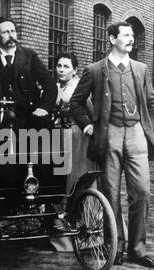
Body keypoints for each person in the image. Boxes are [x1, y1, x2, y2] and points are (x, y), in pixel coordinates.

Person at [70, 21, 154, 268]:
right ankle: (115, 247)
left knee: (141, 191)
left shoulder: (140, 69)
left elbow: (152, 103)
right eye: (126, 35)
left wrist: (145, 127)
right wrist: (89, 126)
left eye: (133, 35)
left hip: (136, 135)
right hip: (108, 136)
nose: (132, 39)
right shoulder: (95, 70)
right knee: (110, 193)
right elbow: (76, 103)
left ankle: (137, 250)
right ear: (112, 39)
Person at [50, 52, 95, 252]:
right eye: (59, 66)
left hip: (76, 138)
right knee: (58, 181)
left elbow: (91, 113)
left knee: (77, 180)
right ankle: (60, 234)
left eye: (66, 66)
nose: (61, 70)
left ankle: (85, 230)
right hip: (57, 138)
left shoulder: (79, 87)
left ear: (74, 70)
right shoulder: (53, 87)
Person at [0, 17, 57, 130]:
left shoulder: (30, 56)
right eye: (5, 32)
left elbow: (50, 85)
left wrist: (43, 108)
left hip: (29, 118)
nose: (11, 35)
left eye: (13, 31)